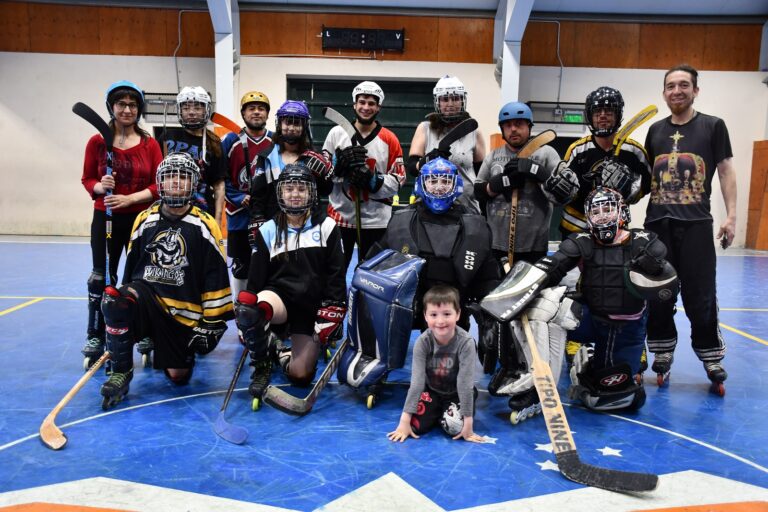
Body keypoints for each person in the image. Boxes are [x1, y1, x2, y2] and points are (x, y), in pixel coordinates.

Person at [99, 152, 234, 409]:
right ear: (160, 182)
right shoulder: (144, 219)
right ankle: (121, 371)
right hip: (147, 297)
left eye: (182, 177)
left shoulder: (205, 224)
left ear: (193, 183)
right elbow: (131, 270)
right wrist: (124, 310)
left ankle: (168, 346)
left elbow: (215, 277)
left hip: (182, 314)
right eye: (170, 176)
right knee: (115, 301)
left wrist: (212, 323)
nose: (175, 182)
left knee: (178, 376)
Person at [533, 187, 677, 412]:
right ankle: (539, 378)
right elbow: (555, 266)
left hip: (628, 329)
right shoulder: (582, 241)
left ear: (621, 211)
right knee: (543, 308)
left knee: (614, 388)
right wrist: (529, 281)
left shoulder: (644, 242)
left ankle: (588, 363)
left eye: (608, 209)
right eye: (596, 211)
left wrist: (652, 268)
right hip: (591, 319)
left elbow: (666, 285)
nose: (602, 216)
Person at [643, 64, 736, 394]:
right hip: (657, 227)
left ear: (696, 90)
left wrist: (731, 216)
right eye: (671, 86)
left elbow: (725, 170)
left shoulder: (713, 126)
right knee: (658, 295)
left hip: (696, 224)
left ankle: (711, 357)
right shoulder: (654, 131)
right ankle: (662, 352)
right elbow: (646, 179)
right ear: (664, 93)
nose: (677, 91)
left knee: (701, 295)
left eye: (684, 85)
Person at [234, 162, 346, 410]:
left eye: (301, 189)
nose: (295, 194)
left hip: (311, 307)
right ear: (281, 193)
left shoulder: (327, 227)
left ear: (311, 193)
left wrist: (334, 310)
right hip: (280, 300)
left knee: (300, 376)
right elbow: (255, 281)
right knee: (251, 308)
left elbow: (337, 275)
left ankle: (280, 352)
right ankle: (262, 365)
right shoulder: (268, 229)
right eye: (289, 189)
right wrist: (247, 320)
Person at [80, 80, 163, 369]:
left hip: (141, 219)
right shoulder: (97, 142)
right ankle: (96, 334)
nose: (127, 110)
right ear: (112, 107)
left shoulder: (150, 144)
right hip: (106, 218)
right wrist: (100, 186)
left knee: (144, 277)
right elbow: (87, 179)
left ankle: (145, 331)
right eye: (121, 104)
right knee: (101, 276)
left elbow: (158, 184)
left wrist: (130, 199)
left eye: (132, 105)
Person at [368, 157, 502, 331]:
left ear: (455, 184)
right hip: (411, 304)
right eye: (432, 181)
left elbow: (488, 276)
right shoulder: (402, 220)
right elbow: (374, 265)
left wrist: (490, 317)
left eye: (445, 181)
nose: (439, 187)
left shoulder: (475, 224)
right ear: (422, 184)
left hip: (458, 305)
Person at [474, 101, 572, 266]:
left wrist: (537, 171)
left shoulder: (547, 154)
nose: (513, 129)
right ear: (502, 130)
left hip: (534, 247)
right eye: (508, 125)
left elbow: (565, 194)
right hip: (497, 245)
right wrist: (500, 183)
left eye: (518, 124)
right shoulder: (494, 156)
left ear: (529, 126)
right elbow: (477, 191)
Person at [322, 81, 406, 271]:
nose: (366, 107)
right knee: (334, 272)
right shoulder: (336, 133)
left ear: (378, 107)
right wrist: (338, 168)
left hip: (376, 221)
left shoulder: (390, 139)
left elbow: (399, 179)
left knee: (372, 275)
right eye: (362, 102)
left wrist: (374, 181)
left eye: (371, 103)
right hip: (340, 217)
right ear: (354, 104)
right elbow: (323, 174)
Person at [387, 285, 484, 443]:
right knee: (415, 426)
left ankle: (442, 412)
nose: (440, 321)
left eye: (447, 314)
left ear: (458, 314)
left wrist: (468, 424)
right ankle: (437, 411)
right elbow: (417, 383)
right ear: (425, 316)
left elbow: (464, 383)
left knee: (455, 428)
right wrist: (404, 421)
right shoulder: (423, 342)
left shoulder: (466, 343)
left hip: (456, 393)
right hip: (432, 391)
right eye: (433, 314)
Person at [557, 86, 652, 237]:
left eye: (608, 111)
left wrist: (629, 189)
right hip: (576, 229)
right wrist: (562, 190)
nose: (602, 116)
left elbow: (647, 186)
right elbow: (565, 192)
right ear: (590, 116)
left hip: (614, 230)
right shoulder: (577, 150)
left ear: (617, 115)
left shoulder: (634, 151)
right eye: (597, 112)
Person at [407, 75, 486, 213]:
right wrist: (428, 159)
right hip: (431, 206)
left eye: (455, 98)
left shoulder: (474, 132)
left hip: (466, 206)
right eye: (444, 99)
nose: (450, 104)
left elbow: (482, 176)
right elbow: (412, 169)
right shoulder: (425, 128)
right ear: (437, 102)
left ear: (462, 100)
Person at [221, 91, 274, 296]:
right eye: (251, 108)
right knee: (241, 266)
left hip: (268, 215)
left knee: (268, 262)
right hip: (239, 217)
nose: (256, 112)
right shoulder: (230, 140)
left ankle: (264, 304)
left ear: (267, 114)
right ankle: (241, 305)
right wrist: (238, 197)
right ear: (243, 113)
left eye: (261, 108)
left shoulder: (275, 141)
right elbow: (221, 178)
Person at [165, 86, 227, 226]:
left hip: (201, 211)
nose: (192, 112)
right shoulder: (167, 137)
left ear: (206, 110)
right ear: (180, 110)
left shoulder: (215, 143)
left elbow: (219, 185)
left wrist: (217, 219)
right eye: (186, 108)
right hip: (169, 209)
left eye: (197, 108)